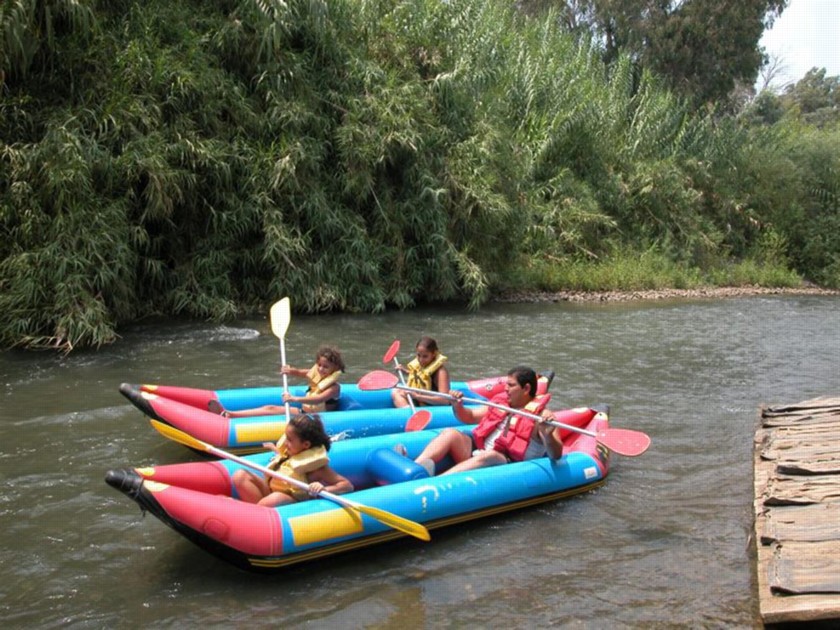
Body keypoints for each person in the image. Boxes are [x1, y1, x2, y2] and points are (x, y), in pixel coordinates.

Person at [410, 366, 563, 476]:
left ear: (526, 388)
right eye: (506, 385)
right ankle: (415, 469)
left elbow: (556, 455)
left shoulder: (542, 417)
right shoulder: (502, 403)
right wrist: (457, 405)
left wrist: (548, 434)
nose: (505, 389)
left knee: (490, 456)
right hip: (482, 450)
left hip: (507, 463)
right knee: (450, 433)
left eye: (511, 385)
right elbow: (468, 417)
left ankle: (436, 482)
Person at [232, 413, 353, 507]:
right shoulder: (290, 452)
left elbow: (347, 485)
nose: (285, 443)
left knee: (275, 499)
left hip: (290, 500)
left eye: (290, 440)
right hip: (271, 491)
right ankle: (258, 513)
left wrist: (323, 489)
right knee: (240, 476)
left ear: (305, 445)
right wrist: (275, 449)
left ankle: (254, 515)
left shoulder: (317, 468)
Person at [210, 345, 345, 418]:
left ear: (336, 368)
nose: (321, 369)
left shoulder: (334, 388)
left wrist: (294, 399)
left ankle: (231, 415)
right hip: (307, 412)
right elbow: (305, 373)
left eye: (325, 367)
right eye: (319, 365)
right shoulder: (318, 372)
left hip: (319, 418)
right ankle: (230, 414)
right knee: (269, 408)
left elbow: (318, 399)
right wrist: (292, 371)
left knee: (271, 409)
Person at [391, 336, 451, 408]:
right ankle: (407, 410)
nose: (421, 360)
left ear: (434, 354)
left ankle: (408, 414)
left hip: (433, 405)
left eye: (425, 356)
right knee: (396, 391)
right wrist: (405, 371)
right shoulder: (423, 365)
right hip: (421, 399)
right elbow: (420, 377)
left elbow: (445, 400)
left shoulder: (441, 372)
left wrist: (417, 396)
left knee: (397, 393)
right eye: (419, 355)